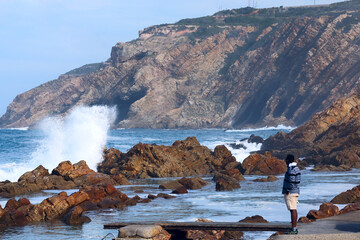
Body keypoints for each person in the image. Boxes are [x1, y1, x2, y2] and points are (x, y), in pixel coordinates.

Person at [282, 154, 301, 234]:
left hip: (291, 192)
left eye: (286, 159)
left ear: (288, 160)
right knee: (293, 209)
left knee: (292, 210)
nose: (285, 161)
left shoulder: (291, 169)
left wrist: (287, 190)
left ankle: (293, 229)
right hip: (296, 191)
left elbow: (291, 181)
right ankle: (293, 228)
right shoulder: (296, 168)